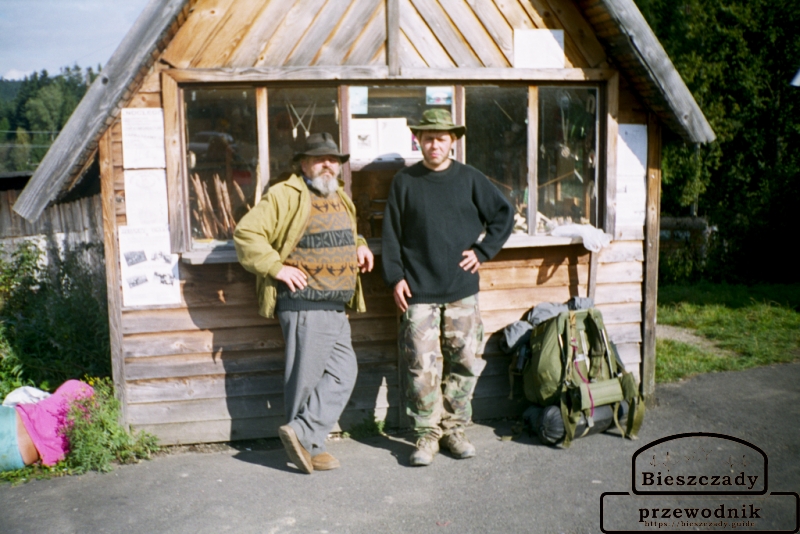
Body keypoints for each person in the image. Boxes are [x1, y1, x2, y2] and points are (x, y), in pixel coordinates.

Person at [234, 132, 374, 474]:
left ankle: (303, 435)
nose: (328, 164)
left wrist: (360, 243)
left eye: (334, 160)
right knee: (305, 379)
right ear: (303, 163)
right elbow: (246, 233)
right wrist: (277, 268)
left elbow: (346, 230)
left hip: (336, 303)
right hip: (305, 303)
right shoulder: (286, 194)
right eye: (319, 158)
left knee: (344, 372)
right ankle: (307, 447)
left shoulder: (339, 194)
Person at [381, 109, 514, 467]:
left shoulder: (470, 179)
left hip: (461, 289)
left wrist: (483, 252)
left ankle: (455, 429)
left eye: (441, 138)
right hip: (418, 292)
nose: (434, 143)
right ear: (419, 140)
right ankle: (427, 434)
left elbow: (504, 214)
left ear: (452, 141)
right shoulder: (404, 182)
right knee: (421, 368)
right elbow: (391, 236)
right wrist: (395, 277)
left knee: (466, 361)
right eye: (427, 137)